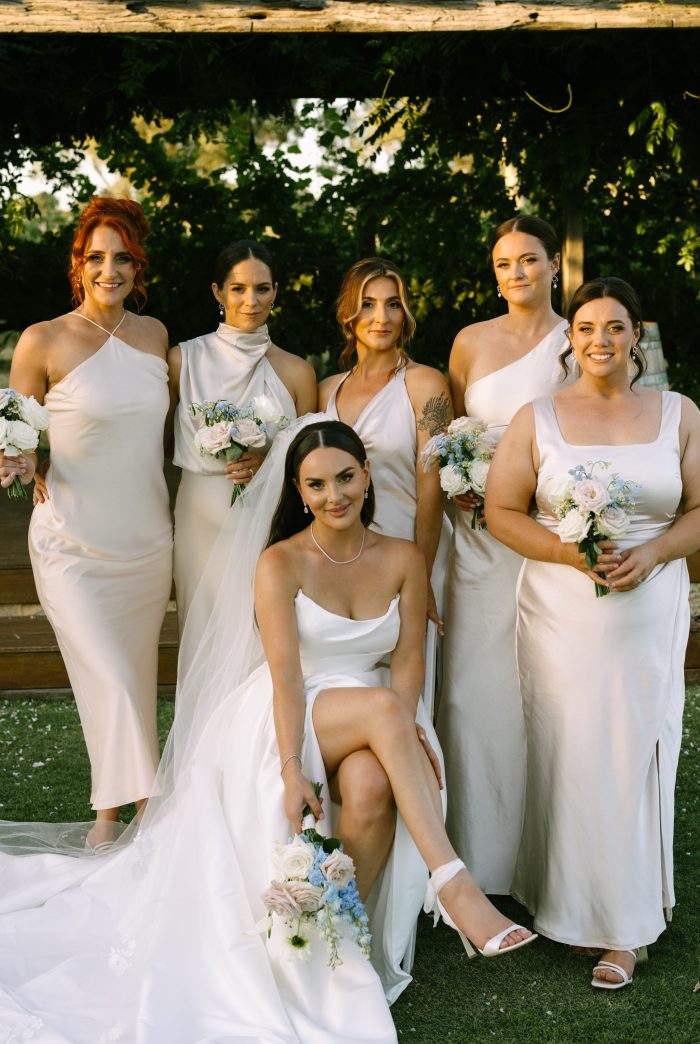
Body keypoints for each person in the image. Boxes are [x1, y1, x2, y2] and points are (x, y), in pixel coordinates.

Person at [0, 418, 535, 1043]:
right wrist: (289, 766)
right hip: (290, 713)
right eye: (315, 485)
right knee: (387, 714)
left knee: (369, 785)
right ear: (298, 491)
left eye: (344, 478)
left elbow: (409, 661)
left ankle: (338, 940)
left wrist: (411, 727)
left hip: (376, 709)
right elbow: (285, 677)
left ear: (366, 476)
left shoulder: (403, 557)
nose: (333, 495)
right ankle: (454, 883)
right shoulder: (280, 562)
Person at [485, 277, 700, 989]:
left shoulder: (679, 413)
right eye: (586, 329)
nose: (600, 341)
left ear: (636, 335)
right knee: (569, 749)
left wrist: (655, 551)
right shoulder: (537, 416)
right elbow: (503, 511)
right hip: (561, 607)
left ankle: (624, 927)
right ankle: (566, 904)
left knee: (631, 746)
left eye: (615, 327)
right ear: (568, 340)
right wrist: (569, 555)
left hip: (649, 600)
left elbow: (699, 507)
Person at [0, 197, 172, 847]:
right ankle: (151, 815)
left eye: (122, 257)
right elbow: (17, 431)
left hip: (147, 544)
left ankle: (106, 819)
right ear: (79, 263)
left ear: (138, 266)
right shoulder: (41, 340)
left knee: (129, 679)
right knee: (109, 677)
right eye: (97, 257)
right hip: (71, 540)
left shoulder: (156, 338)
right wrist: (22, 461)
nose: (110, 269)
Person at [436, 215, 569, 894]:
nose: (515, 274)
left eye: (527, 260)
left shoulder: (581, 343)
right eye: (502, 264)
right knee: (471, 689)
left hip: (547, 538)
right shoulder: (468, 342)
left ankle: (544, 859)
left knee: (544, 690)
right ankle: (478, 860)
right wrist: (457, 479)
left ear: (554, 265)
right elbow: (456, 429)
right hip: (477, 542)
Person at [319, 257, 452, 717]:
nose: (381, 317)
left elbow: (433, 488)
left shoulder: (425, 384)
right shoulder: (326, 391)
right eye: (368, 305)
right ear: (347, 315)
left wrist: (423, 574)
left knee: (405, 688)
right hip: (339, 560)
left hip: (407, 552)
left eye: (393, 305)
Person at [168, 239, 316, 634]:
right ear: (218, 292)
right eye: (238, 288)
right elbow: (154, 437)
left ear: (275, 293)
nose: (251, 300)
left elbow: (312, 460)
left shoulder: (297, 372)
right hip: (200, 511)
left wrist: (271, 463)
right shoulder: (183, 360)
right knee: (202, 625)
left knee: (259, 624)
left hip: (267, 515)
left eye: (262, 288)